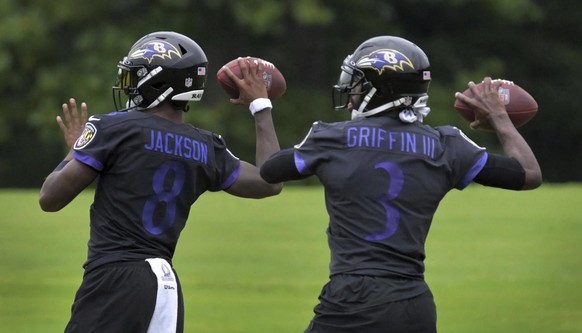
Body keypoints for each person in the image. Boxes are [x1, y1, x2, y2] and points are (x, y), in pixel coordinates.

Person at [260, 36, 542, 333]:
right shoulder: (446, 144)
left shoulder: (332, 138)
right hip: (414, 305)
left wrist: (260, 105)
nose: (351, 90)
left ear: (379, 89)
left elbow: (269, 170)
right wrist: (499, 116)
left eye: (358, 83)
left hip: (353, 298)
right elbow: (528, 174)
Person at [39, 31, 282, 333]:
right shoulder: (205, 145)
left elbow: (50, 198)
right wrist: (261, 106)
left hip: (115, 279)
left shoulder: (114, 128)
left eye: (133, 77)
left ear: (156, 82)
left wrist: (74, 151)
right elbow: (269, 182)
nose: (127, 85)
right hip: (165, 287)